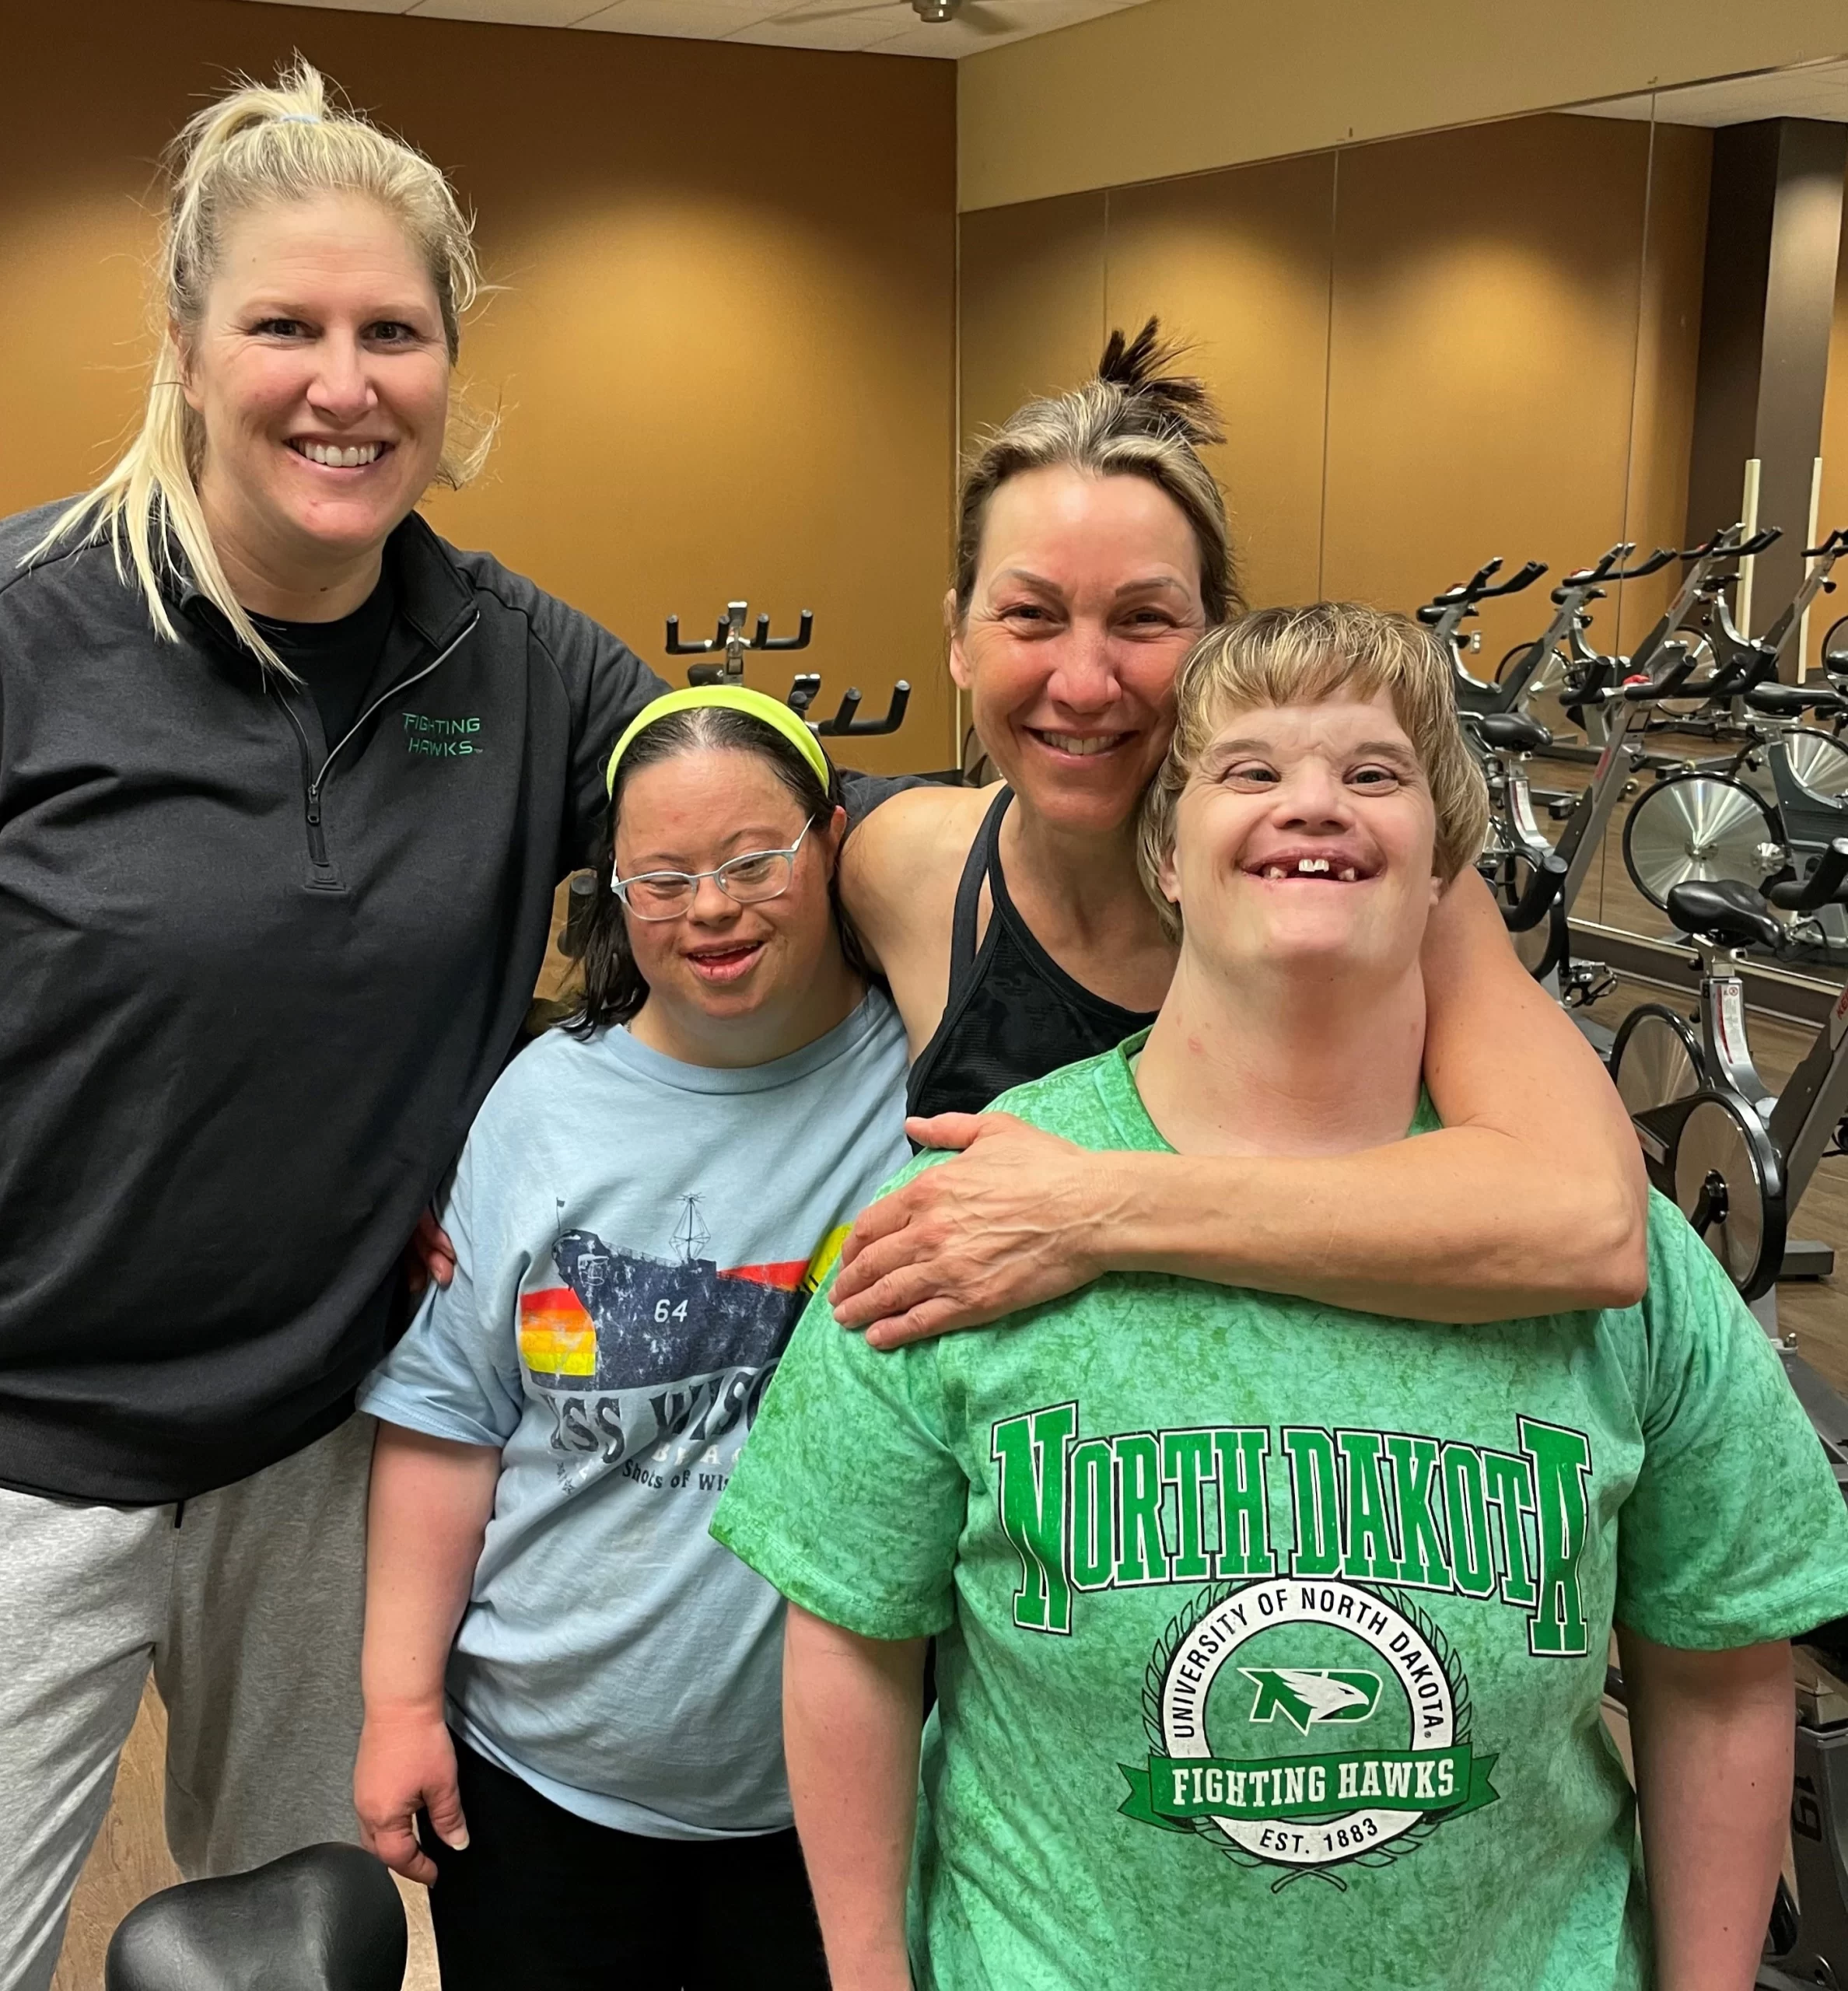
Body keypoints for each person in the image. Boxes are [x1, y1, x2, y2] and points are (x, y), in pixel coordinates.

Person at [715, 602, 1848, 1991]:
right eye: (1249, 771)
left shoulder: (1608, 1250)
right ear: (1168, 854)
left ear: (1443, 863)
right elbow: (851, 1637)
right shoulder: (979, 1216)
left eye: (1374, 774)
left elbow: (1722, 1659)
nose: (1315, 802)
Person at [0, 63, 667, 1991]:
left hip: (323, 1453)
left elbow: (755, 830)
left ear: (450, 364)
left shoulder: (519, 658)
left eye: (393, 330)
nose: (343, 380)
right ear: (185, 348)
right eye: (285, 326)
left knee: (307, 1960)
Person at [825, 326, 1647, 1348]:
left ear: (1217, 636)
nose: (1083, 683)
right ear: (957, 637)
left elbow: (1588, 1223)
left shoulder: (1366, 898)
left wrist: (1092, 1212)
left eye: (1143, 621)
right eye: (1030, 616)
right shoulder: (897, 861)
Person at [352, 689, 905, 1988]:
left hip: (832, 1801)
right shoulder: (545, 1104)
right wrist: (399, 1706)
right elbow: (450, 1418)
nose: (709, 909)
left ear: (833, 842)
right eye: (661, 880)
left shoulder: (919, 1076)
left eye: (752, 862)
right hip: (540, 1778)